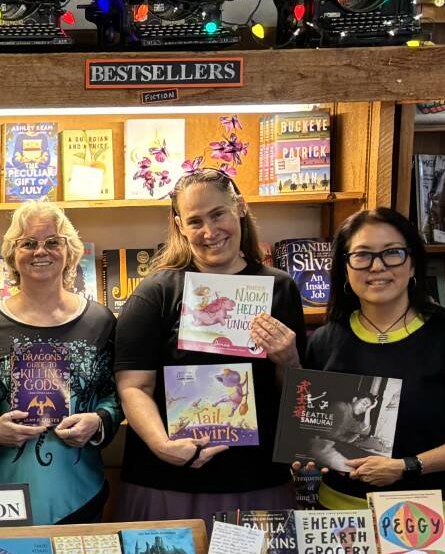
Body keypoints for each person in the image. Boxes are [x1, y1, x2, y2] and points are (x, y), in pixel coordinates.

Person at [304, 207, 445, 554]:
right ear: (345, 268)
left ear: (413, 262)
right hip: (341, 519)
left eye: (391, 253)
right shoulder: (326, 340)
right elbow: (319, 431)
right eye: (361, 255)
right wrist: (311, 453)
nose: (376, 267)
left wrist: (407, 466)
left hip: (431, 520)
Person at [114, 168, 306, 523]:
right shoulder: (156, 292)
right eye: (195, 221)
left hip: (255, 479)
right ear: (179, 225)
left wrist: (289, 360)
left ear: (240, 208)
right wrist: (162, 445)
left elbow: (291, 393)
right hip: (169, 480)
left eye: (218, 214)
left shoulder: (279, 288)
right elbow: (134, 386)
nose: (209, 231)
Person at [0, 204, 122, 525]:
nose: (40, 251)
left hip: (80, 494)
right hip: (0, 499)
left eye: (53, 242)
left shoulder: (99, 322)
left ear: (69, 251)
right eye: (28, 243)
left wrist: (98, 422)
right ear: (12, 254)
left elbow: (119, 396)